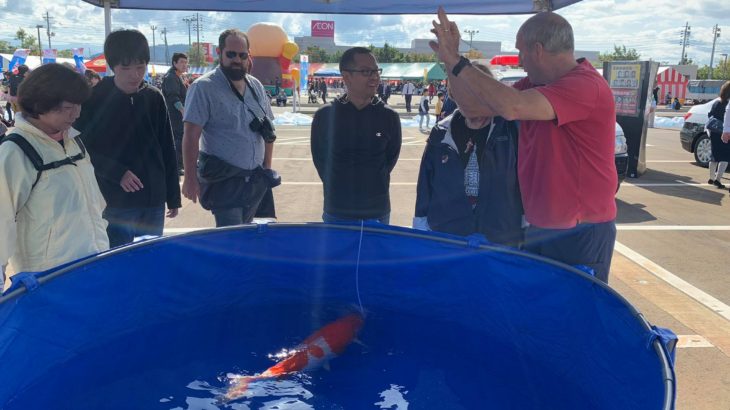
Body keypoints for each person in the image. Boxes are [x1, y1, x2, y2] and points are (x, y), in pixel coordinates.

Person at [430, 8, 617, 283]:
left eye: (521, 51)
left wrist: (459, 62)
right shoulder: (538, 84)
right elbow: (471, 107)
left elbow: (511, 107)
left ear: (538, 50)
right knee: (538, 312)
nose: (520, 60)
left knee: (571, 317)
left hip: (579, 232)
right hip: (542, 225)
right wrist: (449, 61)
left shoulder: (585, 86)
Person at [0, 63, 109, 289]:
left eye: (79, 105)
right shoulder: (15, 152)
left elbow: (94, 203)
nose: (77, 113)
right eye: (69, 106)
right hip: (50, 280)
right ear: (41, 104)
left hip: (94, 265)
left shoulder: (74, 142)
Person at [74, 29, 181, 248]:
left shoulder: (153, 97)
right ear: (112, 66)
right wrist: (116, 172)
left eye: (140, 67)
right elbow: (80, 147)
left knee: (150, 260)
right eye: (126, 68)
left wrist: (172, 194)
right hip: (114, 201)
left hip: (153, 200)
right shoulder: (93, 99)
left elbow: (167, 146)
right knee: (117, 261)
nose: (135, 75)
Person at [414, 62, 523, 247]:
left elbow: (524, 183)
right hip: (447, 236)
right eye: (463, 93)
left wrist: (524, 228)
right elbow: (426, 184)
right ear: (453, 95)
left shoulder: (511, 130)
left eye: (478, 93)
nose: (471, 99)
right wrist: (421, 226)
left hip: (499, 236)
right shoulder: (441, 132)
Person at [181, 28, 279, 227]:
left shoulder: (256, 86)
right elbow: (191, 136)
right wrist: (190, 178)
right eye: (231, 54)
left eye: (242, 55)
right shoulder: (203, 88)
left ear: (248, 56)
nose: (237, 60)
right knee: (233, 239)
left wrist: (266, 170)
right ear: (220, 52)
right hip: (225, 181)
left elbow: (268, 131)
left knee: (251, 237)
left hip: (254, 181)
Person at [311, 47, 402, 224]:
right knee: (336, 253)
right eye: (366, 71)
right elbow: (320, 160)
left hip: (377, 211)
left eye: (376, 71)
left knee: (375, 253)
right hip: (337, 211)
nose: (375, 77)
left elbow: (390, 159)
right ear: (346, 76)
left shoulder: (389, 116)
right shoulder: (326, 116)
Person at [161, 52, 189, 176]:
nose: (184, 65)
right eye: (181, 62)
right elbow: (174, 98)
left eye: (185, 62)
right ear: (174, 63)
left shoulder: (178, 76)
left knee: (181, 139)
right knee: (178, 140)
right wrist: (183, 112)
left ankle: (181, 164)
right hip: (175, 116)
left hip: (179, 115)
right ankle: (176, 166)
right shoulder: (171, 77)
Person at [707, 81, 730, 190]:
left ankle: (711, 177)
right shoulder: (728, 104)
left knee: (714, 154)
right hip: (725, 132)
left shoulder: (717, 102)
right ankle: (718, 179)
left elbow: (710, 115)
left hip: (714, 131)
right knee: (725, 156)